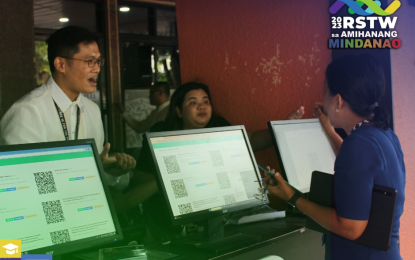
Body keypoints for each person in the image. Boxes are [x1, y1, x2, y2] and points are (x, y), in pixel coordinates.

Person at [115, 82, 304, 243]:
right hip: (167, 222)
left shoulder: (218, 127)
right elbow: (140, 179)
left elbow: (250, 140)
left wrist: (279, 129)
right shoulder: (161, 133)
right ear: (179, 111)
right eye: (193, 102)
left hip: (215, 220)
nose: (201, 106)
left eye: (206, 101)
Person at [263, 54, 405, 260]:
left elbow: (350, 228)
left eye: (324, 91)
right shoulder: (382, 134)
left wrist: (292, 197)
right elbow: (359, 171)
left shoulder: (359, 145)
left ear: (338, 100)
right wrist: (328, 128)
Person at [0, 26, 136, 189]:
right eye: (89, 61)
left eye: (99, 61)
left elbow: (97, 181)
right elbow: (22, 183)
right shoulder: (28, 111)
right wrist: (86, 169)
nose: (97, 69)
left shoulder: (92, 110)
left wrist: (112, 171)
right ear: (61, 64)